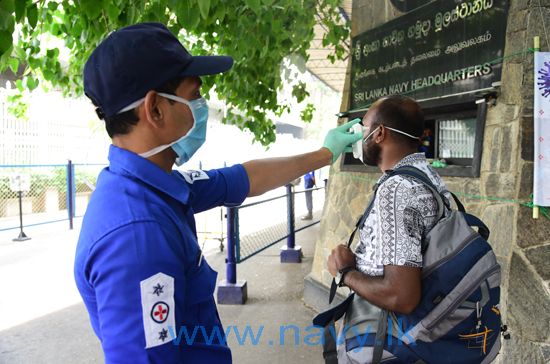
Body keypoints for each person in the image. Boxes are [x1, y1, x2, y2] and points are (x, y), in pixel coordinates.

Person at [73, 22, 362, 363]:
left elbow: (242, 179)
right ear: (154, 109)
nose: (202, 106)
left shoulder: (149, 186)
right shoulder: (137, 238)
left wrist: (325, 153)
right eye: (194, 96)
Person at [326, 95, 452, 361]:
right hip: (420, 336)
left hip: (391, 342)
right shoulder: (426, 174)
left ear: (379, 133)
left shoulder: (397, 190)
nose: (358, 138)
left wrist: (345, 273)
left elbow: (401, 296)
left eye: (363, 128)